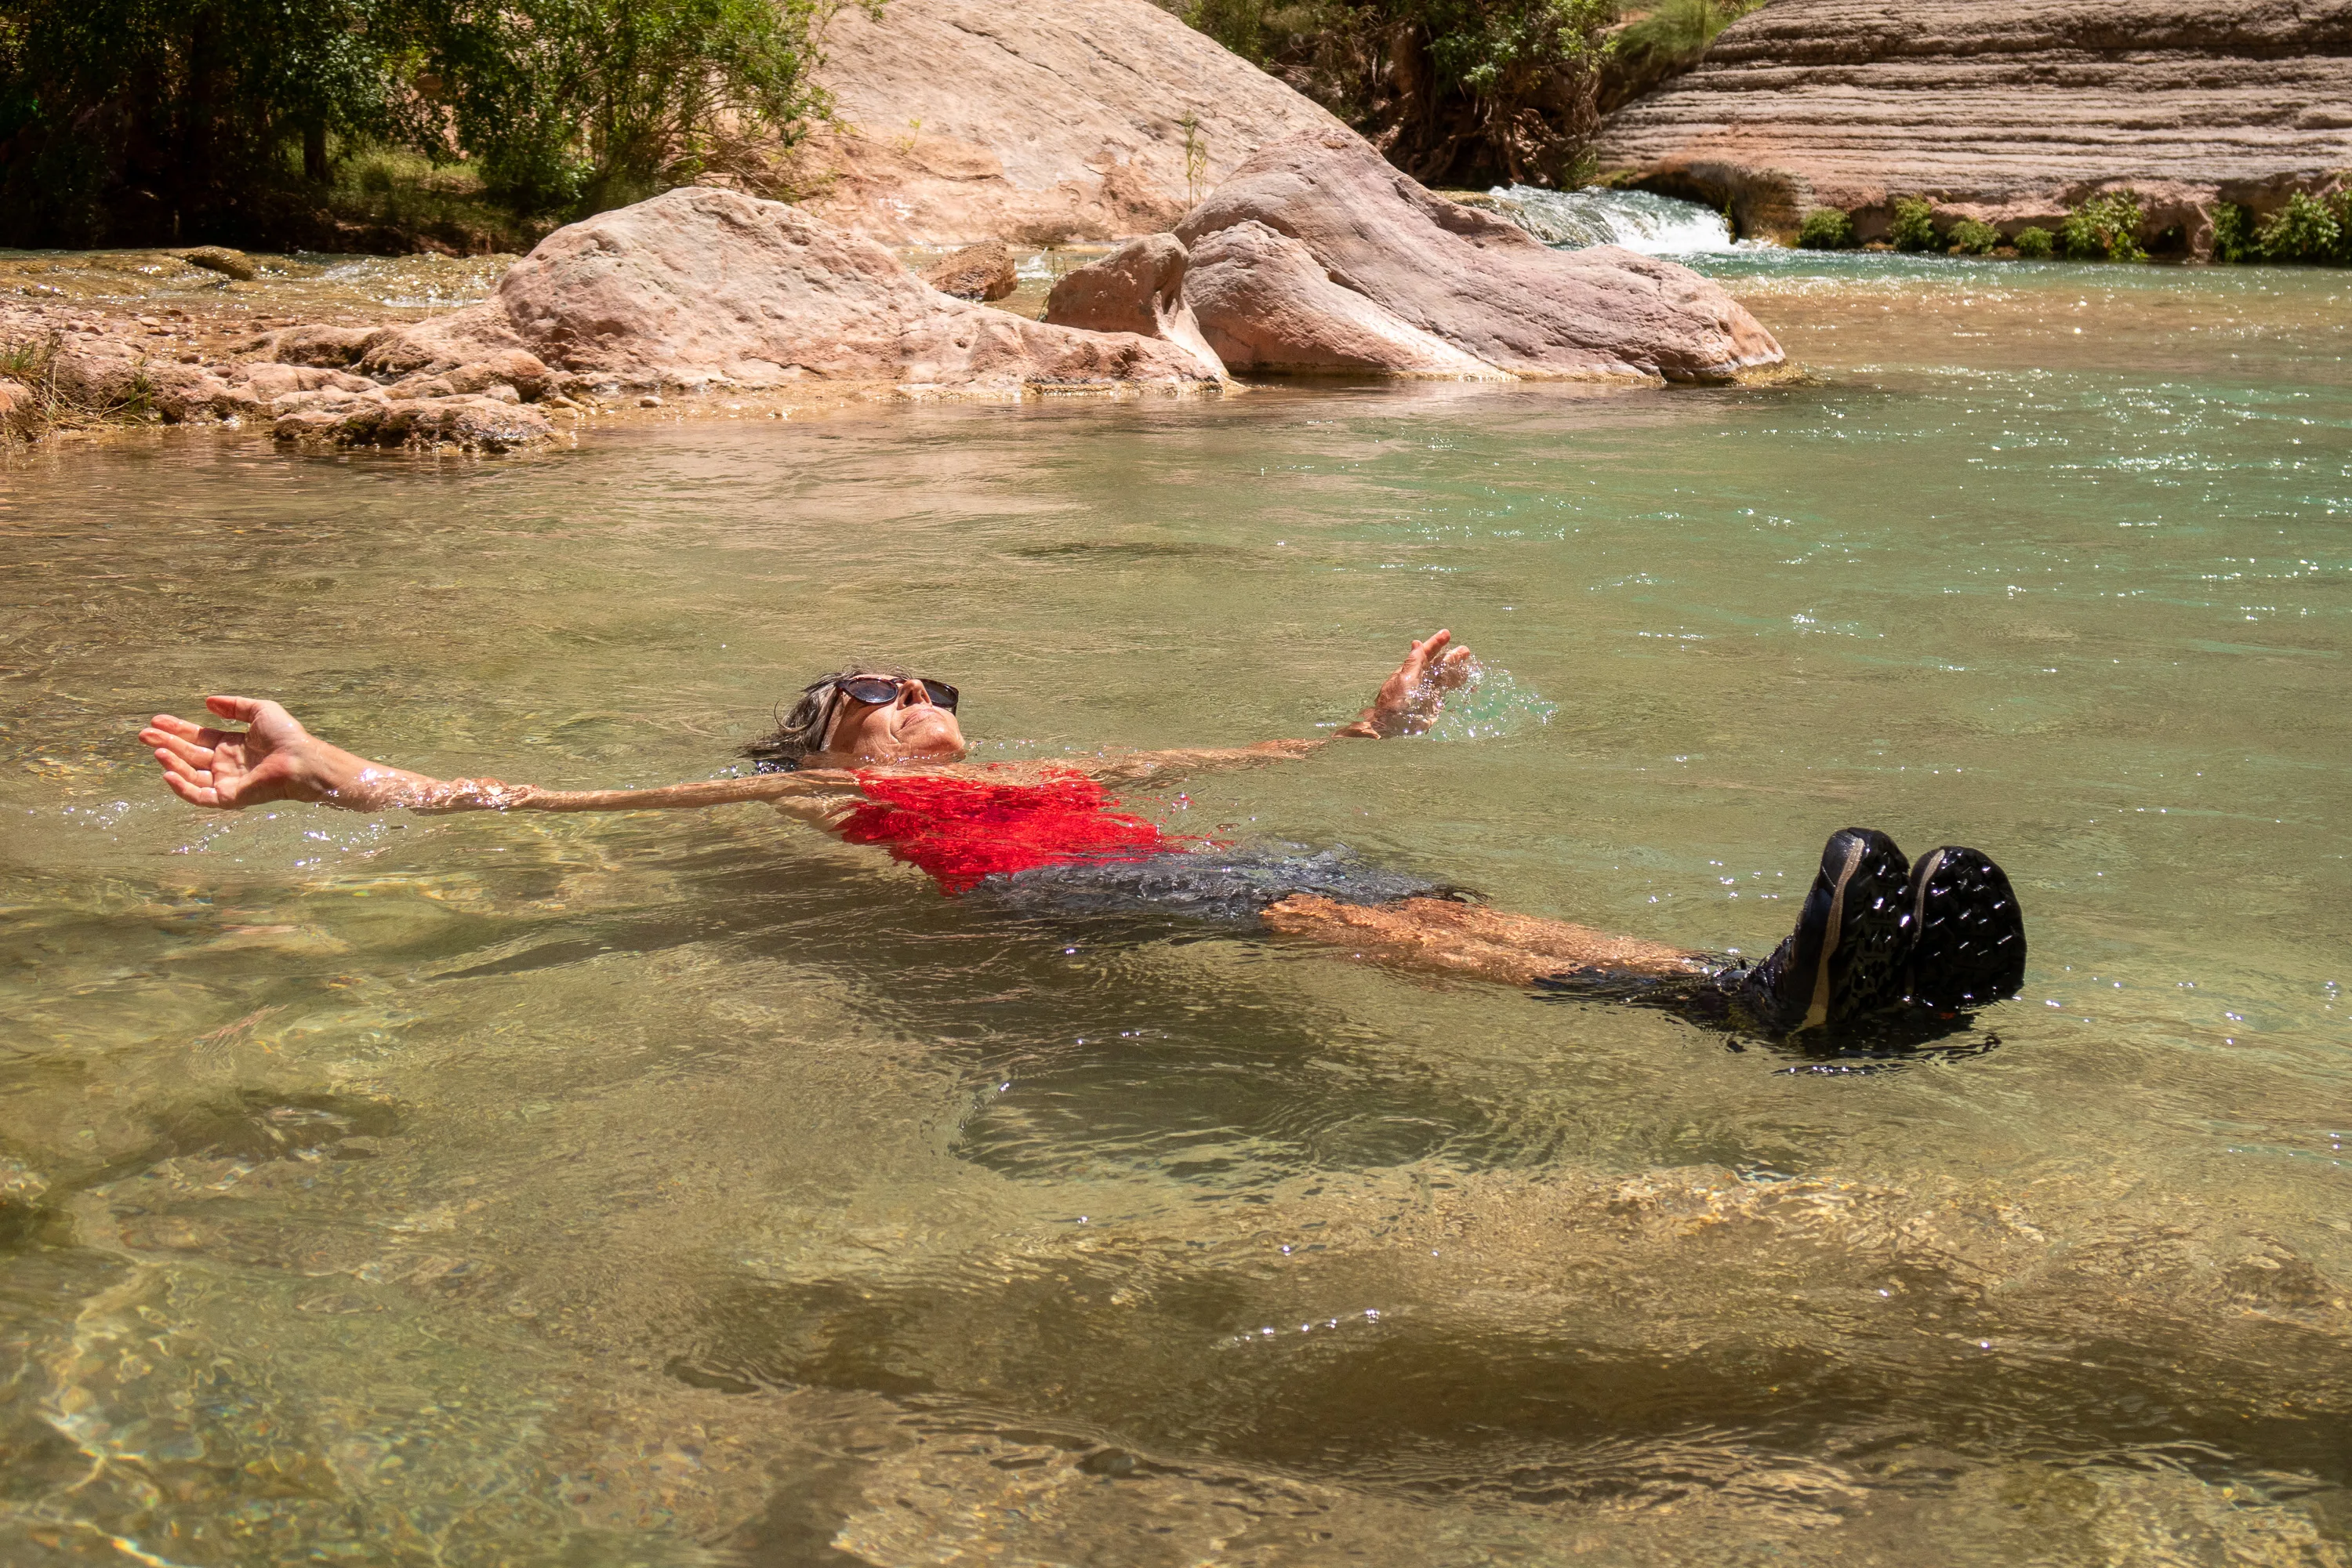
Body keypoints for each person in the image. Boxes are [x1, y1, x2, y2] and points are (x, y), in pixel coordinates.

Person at [138, 631, 2026, 1037]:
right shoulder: (827, 791)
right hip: (1076, 903)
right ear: (840, 733)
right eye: (885, 681)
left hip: (1156, 859)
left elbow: (1274, 743)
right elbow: (557, 801)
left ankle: (1762, 990)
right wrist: (341, 770)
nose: (922, 691)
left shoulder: (1073, 748)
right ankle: (1764, 1000)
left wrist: (1378, 728)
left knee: (1444, 904)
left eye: (934, 674)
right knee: (1388, 934)